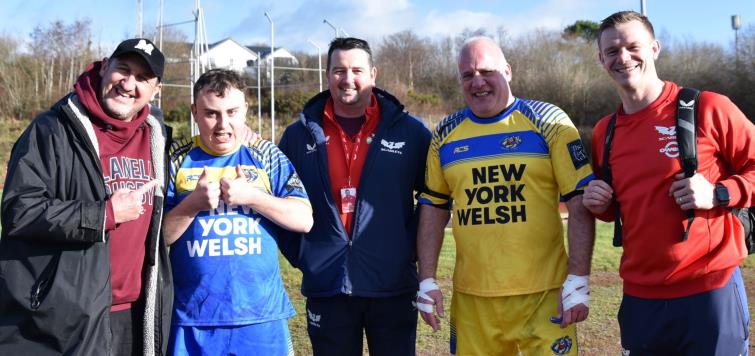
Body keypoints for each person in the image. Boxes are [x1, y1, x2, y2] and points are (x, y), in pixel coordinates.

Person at [583, 11, 755, 355]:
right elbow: (624, 204)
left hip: (710, 291)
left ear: (655, 48)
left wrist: (719, 192)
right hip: (640, 298)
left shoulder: (706, 107)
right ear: (602, 59)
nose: (624, 57)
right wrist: (600, 205)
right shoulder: (606, 131)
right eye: (613, 51)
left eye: (634, 46)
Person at [415, 36, 595, 355]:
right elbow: (433, 205)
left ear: (508, 71)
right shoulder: (444, 134)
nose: (478, 82)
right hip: (473, 302)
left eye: (487, 71)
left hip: (545, 295)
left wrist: (578, 278)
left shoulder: (550, 121)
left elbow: (580, 200)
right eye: (467, 75)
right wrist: (426, 279)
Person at [0, 38, 172, 355]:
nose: (128, 84)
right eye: (123, 69)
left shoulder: (157, 137)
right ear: (105, 66)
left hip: (134, 314)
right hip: (64, 317)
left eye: (142, 78)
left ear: (156, 89)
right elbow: (19, 211)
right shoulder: (51, 130)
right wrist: (103, 215)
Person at [278, 37, 431, 355]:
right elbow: (278, 200)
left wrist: (407, 249)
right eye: (339, 70)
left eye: (357, 70)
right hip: (327, 284)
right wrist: (306, 256)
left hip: (392, 286)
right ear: (327, 73)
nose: (348, 79)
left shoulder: (411, 133)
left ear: (373, 74)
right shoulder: (297, 135)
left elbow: (435, 199)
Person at [163, 69, 312, 355]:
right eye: (211, 113)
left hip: (261, 318)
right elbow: (159, 240)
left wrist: (253, 198)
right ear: (194, 112)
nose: (223, 124)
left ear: (245, 109)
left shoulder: (266, 155)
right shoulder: (176, 159)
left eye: (232, 112)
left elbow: (304, 219)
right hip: (194, 320)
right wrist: (192, 205)